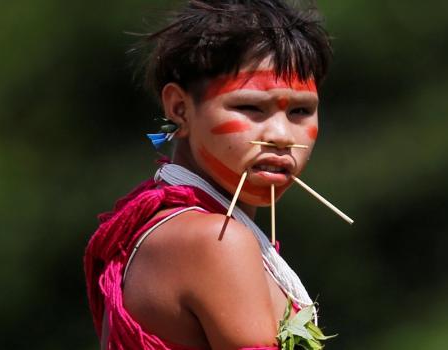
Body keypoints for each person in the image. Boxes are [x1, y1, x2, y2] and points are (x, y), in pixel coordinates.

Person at [84, 0, 333, 349]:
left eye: (301, 111)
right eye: (250, 107)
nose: (281, 136)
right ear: (180, 109)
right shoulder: (215, 241)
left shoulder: (168, 226)